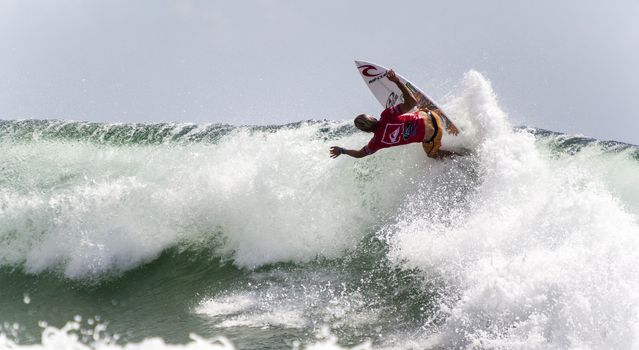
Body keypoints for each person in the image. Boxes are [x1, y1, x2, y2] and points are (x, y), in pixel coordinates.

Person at [330, 70, 460, 160]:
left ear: (366, 131)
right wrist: (396, 81)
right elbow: (412, 102)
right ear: (374, 118)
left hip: (433, 136)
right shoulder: (386, 115)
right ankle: (439, 113)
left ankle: (462, 156)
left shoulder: (376, 142)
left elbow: (360, 154)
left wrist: (342, 151)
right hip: (431, 115)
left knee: (432, 155)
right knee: (415, 109)